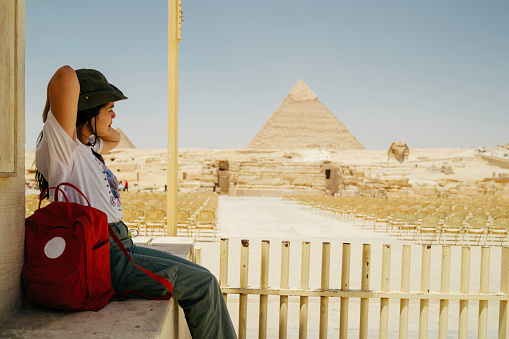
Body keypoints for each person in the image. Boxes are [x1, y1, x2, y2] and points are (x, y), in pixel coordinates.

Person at [35, 65, 236, 338]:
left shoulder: (87, 146)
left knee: (205, 275)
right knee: (202, 285)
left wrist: (95, 123)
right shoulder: (63, 150)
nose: (114, 115)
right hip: (101, 256)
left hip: (120, 244)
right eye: (109, 108)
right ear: (88, 108)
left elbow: (115, 139)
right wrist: (50, 112)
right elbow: (65, 76)